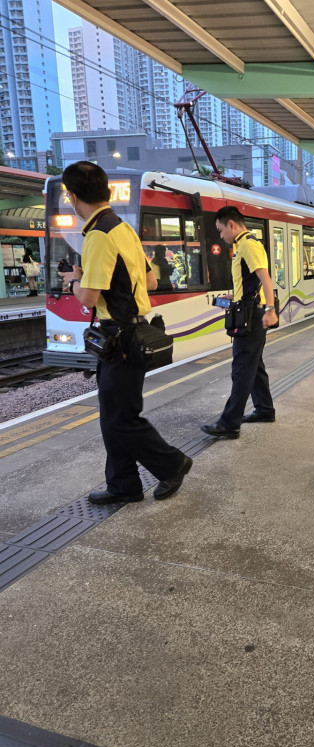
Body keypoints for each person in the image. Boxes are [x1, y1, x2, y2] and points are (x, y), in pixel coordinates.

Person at [58, 161, 192, 504]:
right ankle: (124, 485)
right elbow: (150, 280)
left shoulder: (98, 235)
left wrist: (75, 279)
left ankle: (172, 463)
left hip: (119, 340)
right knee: (113, 417)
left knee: (120, 421)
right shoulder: (122, 228)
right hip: (131, 336)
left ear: (72, 196)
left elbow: (88, 297)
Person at [201, 206, 278, 439]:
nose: (221, 236)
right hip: (250, 309)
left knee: (242, 368)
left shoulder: (248, 245)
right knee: (255, 365)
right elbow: (251, 282)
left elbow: (265, 278)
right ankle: (264, 409)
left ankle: (230, 422)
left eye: (221, 230)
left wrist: (271, 309)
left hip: (252, 316)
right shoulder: (243, 245)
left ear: (231, 224)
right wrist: (234, 295)